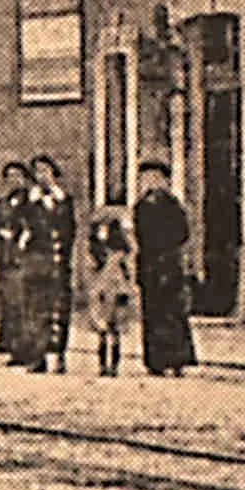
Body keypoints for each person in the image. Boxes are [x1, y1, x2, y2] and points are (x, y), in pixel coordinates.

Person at [133, 160, 196, 376]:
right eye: (145, 178)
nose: (149, 182)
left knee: (173, 313)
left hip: (169, 264)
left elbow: (183, 232)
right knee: (151, 314)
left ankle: (177, 359)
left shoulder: (173, 205)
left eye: (154, 178)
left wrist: (169, 251)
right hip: (150, 266)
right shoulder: (141, 206)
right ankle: (155, 360)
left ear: (164, 180)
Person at [31, 155, 77, 373]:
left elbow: (70, 231)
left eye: (45, 171)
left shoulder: (64, 201)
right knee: (37, 309)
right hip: (36, 263)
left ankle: (58, 355)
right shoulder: (30, 202)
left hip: (59, 262)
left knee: (59, 308)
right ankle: (37, 356)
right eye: (38, 172)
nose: (42, 176)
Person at [0, 162, 36, 362]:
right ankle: (13, 348)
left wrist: (21, 235)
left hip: (24, 258)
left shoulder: (32, 203)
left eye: (17, 176)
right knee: (9, 304)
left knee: (23, 303)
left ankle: (26, 349)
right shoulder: (2, 203)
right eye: (9, 177)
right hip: (6, 257)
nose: (13, 180)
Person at [79, 207, 137, 376]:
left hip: (115, 290)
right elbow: (92, 268)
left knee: (115, 329)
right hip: (102, 291)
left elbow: (127, 269)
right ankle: (103, 365)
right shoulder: (96, 251)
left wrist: (127, 286)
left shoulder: (119, 252)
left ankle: (114, 366)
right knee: (102, 330)